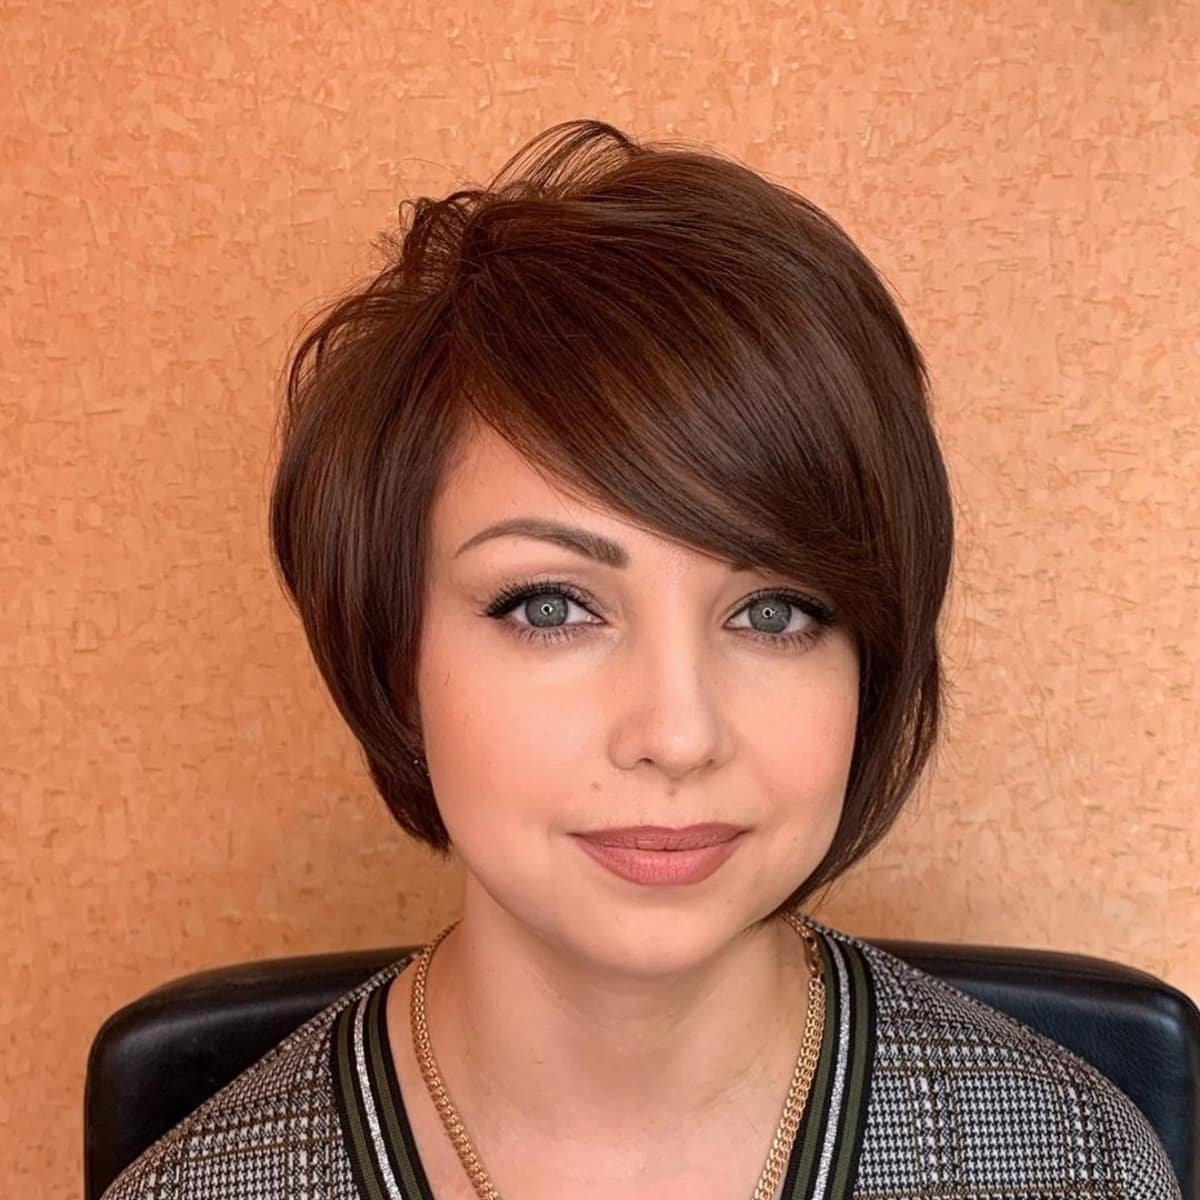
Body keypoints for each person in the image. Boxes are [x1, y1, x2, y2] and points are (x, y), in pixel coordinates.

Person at [100, 118, 1182, 1200]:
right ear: (394, 650)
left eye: (775, 613)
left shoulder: (1073, 1165)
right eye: (551, 606)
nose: (678, 733)